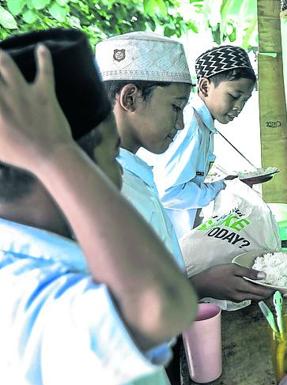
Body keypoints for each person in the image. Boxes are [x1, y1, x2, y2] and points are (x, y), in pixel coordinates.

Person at [0, 29, 197, 385]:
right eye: (110, 155)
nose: (119, 170)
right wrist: (54, 152)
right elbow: (165, 305)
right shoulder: (41, 291)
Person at [95, 33, 272, 305]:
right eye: (175, 107)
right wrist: (198, 285)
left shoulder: (130, 172)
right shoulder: (105, 186)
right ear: (130, 98)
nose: (179, 124)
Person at [147, 45, 256, 240]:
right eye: (233, 96)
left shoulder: (204, 126)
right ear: (205, 87)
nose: (239, 107)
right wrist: (219, 188)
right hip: (163, 236)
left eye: (245, 100)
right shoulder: (190, 124)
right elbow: (169, 192)